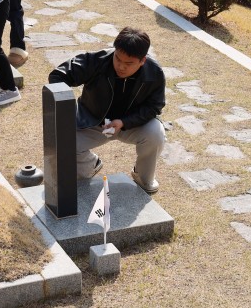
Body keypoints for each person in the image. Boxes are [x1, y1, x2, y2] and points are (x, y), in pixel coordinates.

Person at [48, 28, 166, 194]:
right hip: (95, 123)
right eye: (117, 59)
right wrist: (66, 107)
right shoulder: (97, 60)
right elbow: (58, 76)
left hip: (130, 125)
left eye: (129, 63)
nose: (121, 66)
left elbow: (155, 106)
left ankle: (143, 178)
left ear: (142, 61)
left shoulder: (155, 73)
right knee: (63, 143)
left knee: (156, 133)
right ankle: (90, 166)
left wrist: (124, 122)